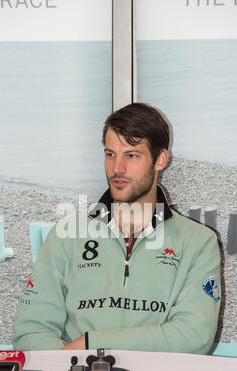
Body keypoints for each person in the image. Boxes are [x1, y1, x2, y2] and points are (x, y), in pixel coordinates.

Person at [13, 103, 221, 353]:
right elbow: (30, 333)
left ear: (161, 159)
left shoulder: (198, 242)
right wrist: (72, 368)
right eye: (110, 154)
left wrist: (92, 344)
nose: (117, 169)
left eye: (132, 155)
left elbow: (193, 337)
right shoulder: (65, 235)